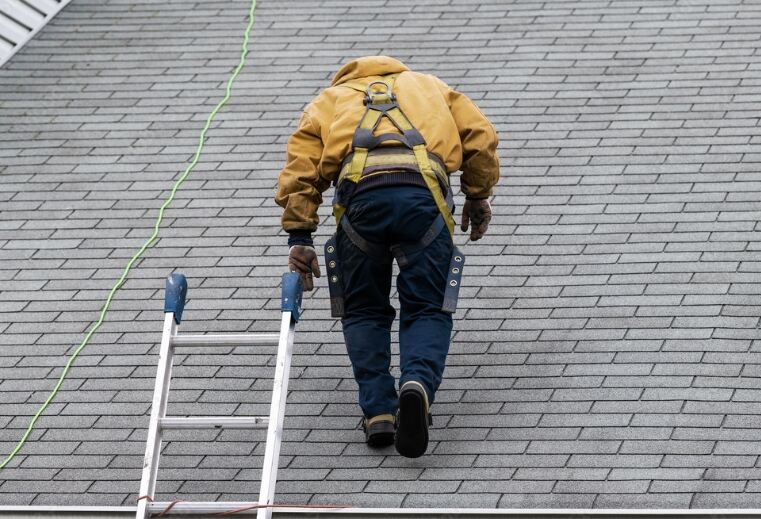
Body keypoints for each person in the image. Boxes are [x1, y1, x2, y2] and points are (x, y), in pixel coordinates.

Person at [275, 56, 499, 458]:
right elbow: (479, 136)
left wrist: (300, 235)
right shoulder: (430, 86)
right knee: (428, 307)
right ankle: (417, 385)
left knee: (363, 310)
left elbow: (301, 169)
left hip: (361, 205)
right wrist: (478, 195)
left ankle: (379, 410)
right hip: (423, 201)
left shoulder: (331, 99)